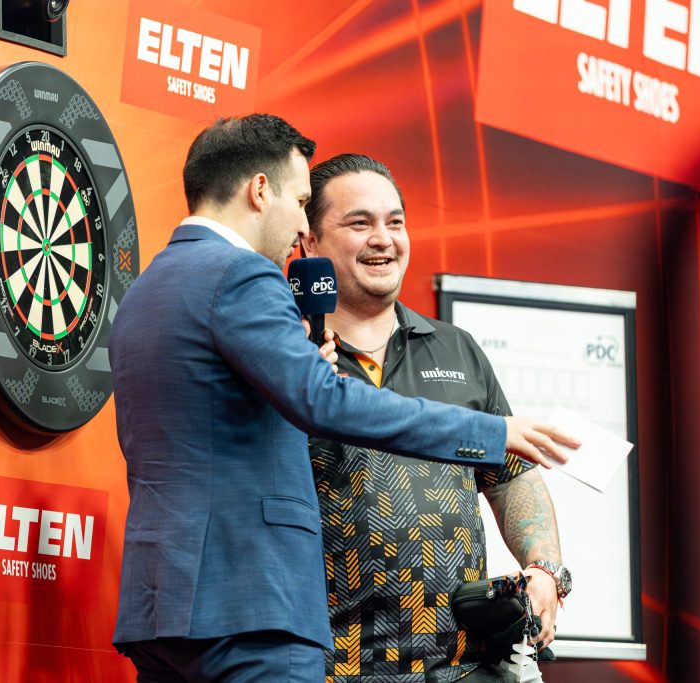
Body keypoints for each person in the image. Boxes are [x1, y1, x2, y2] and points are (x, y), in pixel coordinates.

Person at [109, 116, 577, 682]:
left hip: (168, 606)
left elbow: (213, 427)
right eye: (304, 205)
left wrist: (544, 568)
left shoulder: (146, 290)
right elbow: (325, 403)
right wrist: (492, 432)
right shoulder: (244, 280)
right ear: (261, 192)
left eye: (395, 221)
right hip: (266, 618)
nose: (297, 225)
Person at [301, 153, 572, 682]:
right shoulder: (288, 357)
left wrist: (544, 569)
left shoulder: (456, 348)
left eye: (395, 222)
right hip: (331, 668)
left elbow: (511, 474)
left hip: (462, 669)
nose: (383, 239)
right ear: (309, 242)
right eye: (359, 223)